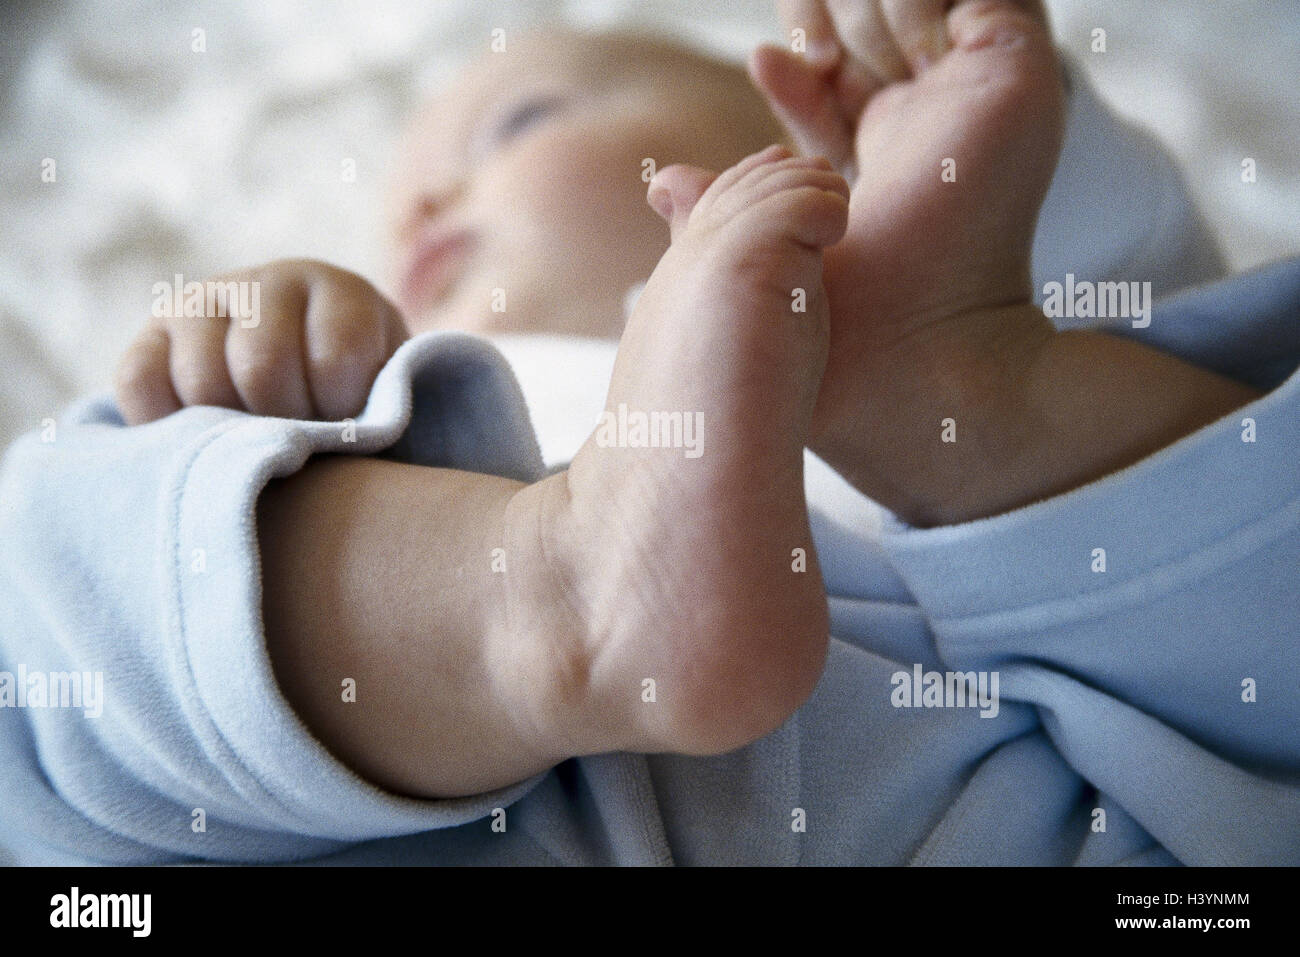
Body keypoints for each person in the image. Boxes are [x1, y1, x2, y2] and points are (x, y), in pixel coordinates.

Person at [2, 0, 1296, 865]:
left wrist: (986, 157)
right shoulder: (407, 404)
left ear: (810, 169)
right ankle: (537, 589)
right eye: (397, 210)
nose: (429, 205)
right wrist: (248, 366)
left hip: (1028, 786)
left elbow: (1148, 302)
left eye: (519, 124)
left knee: (1202, 505)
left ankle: (973, 389)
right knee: (88, 524)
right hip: (455, 782)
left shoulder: (846, 274)